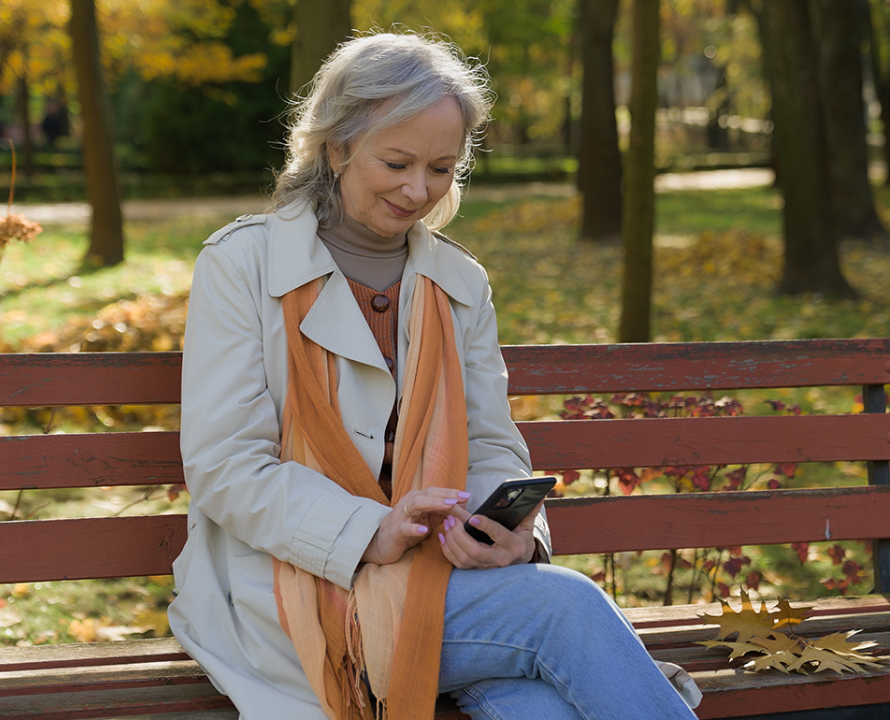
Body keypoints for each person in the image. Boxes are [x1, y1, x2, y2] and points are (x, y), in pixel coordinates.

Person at [169, 31, 701, 720]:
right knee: (564, 609)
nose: (418, 189)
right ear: (336, 147)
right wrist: (368, 531)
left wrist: (508, 534)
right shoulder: (242, 264)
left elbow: (490, 443)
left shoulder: (458, 281)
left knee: (541, 708)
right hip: (294, 588)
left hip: (445, 585)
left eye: (442, 168)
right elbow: (225, 467)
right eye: (397, 162)